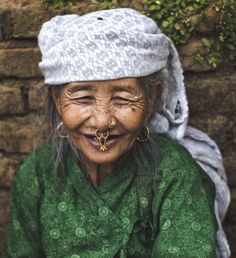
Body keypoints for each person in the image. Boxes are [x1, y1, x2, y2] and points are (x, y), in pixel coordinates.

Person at [1, 8, 230, 258]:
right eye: (83, 98)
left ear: (151, 98)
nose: (102, 122)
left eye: (122, 99)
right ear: (57, 100)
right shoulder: (38, 174)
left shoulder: (174, 174)